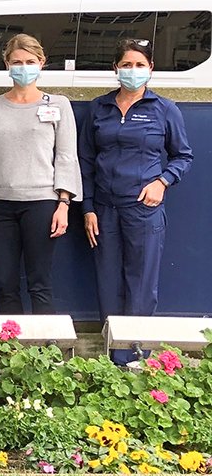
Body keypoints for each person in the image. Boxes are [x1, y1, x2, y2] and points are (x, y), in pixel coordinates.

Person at [79, 38, 193, 363]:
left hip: (144, 209)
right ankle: (114, 361)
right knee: (107, 283)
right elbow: (85, 160)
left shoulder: (164, 109)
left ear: (151, 69)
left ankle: (138, 360)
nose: (133, 71)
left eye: (139, 65)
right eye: (126, 65)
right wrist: (87, 208)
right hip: (103, 208)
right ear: (116, 69)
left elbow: (183, 155)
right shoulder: (99, 108)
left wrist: (163, 181)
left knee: (141, 285)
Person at [0, 33, 81, 314]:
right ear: (7, 64)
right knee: (5, 284)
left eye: (29, 61)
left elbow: (66, 156)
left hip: (42, 203)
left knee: (40, 283)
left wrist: (64, 204)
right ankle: (12, 352)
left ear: (41, 63)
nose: (23, 67)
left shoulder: (59, 105)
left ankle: (45, 352)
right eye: (17, 61)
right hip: (0, 205)